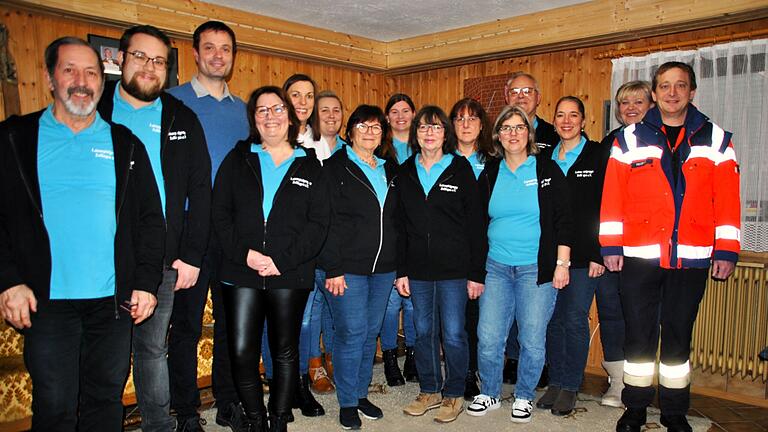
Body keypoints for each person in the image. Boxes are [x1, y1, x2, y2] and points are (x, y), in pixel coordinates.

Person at [0, 36, 164, 432]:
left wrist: (145, 283)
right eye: (70, 70)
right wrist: (8, 282)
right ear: (49, 78)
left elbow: (150, 221)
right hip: (46, 300)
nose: (82, 80)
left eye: (91, 72)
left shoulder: (125, 144)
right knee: (55, 405)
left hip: (111, 302)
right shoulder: (14, 139)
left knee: (105, 401)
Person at [601, 61, 741, 432]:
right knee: (639, 339)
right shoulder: (628, 140)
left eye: (680, 86)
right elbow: (613, 197)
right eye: (664, 86)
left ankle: (674, 413)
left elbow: (728, 202)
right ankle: (634, 410)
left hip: (692, 258)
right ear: (655, 93)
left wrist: (726, 251)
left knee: (678, 340)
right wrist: (610, 246)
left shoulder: (716, 140)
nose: (672, 93)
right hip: (639, 257)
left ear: (692, 92)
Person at [96, 25, 211, 432]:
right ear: (121, 59)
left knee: (152, 350)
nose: (150, 67)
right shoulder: (95, 110)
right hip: (100, 257)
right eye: (141, 57)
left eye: (159, 61)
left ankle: (160, 426)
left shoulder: (182, 117)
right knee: (102, 358)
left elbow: (201, 192)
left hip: (160, 257)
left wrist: (192, 255)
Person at [212, 85, 330, 432]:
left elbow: (318, 225)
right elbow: (221, 215)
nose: (270, 116)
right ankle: (255, 419)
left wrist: (281, 260)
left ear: (290, 116)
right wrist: (245, 254)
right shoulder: (238, 159)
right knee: (242, 351)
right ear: (254, 119)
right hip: (241, 270)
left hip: (289, 272)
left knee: (284, 350)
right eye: (262, 110)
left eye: (277, 109)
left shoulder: (310, 166)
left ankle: (278, 420)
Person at [167, 20, 251, 431]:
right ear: (195, 54)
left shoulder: (244, 111)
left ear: (233, 57)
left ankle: (227, 400)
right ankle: (185, 411)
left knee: (230, 323)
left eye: (226, 49)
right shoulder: (171, 103)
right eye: (210, 48)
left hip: (232, 233)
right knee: (185, 323)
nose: (218, 55)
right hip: (186, 230)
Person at [469, 105, 572, 424]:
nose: (513, 133)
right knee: (488, 335)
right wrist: (475, 270)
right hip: (495, 266)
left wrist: (562, 263)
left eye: (519, 127)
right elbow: (475, 224)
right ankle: (489, 392)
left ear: (529, 133)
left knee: (531, 337)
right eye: (506, 128)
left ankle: (525, 395)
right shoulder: (490, 171)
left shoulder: (546, 169)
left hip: (535, 269)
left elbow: (564, 220)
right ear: (498, 135)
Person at [398, 106, 486, 424]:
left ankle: (453, 394)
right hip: (418, 271)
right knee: (422, 333)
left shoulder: (460, 169)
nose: (429, 133)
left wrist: (477, 273)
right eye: (423, 128)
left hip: (454, 271)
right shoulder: (405, 171)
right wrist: (401, 271)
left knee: (453, 334)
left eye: (436, 128)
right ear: (416, 133)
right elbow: (399, 226)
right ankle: (430, 390)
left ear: (445, 134)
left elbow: (477, 226)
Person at [320, 105, 399, 429]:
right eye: (363, 126)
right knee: (351, 332)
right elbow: (325, 223)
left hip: (383, 269)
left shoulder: (391, 169)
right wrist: (333, 267)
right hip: (347, 268)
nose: (370, 132)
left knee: (370, 333)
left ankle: (361, 392)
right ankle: (348, 401)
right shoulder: (333, 167)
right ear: (350, 131)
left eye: (376, 127)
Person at [534, 96, 608, 416]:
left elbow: (605, 208)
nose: (566, 121)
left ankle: (570, 385)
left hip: (584, 257)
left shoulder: (597, 155)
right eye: (560, 115)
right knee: (551, 321)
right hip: (548, 256)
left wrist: (598, 253)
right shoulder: (543, 159)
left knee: (574, 319)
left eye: (573, 115)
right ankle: (555, 381)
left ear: (583, 120)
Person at [596, 80, 653, 408]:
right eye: (624, 102)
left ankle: (638, 385)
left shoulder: (661, 144)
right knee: (611, 313)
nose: (630, 107)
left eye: (638, 101)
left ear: (651, 104)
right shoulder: (609, 143)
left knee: (641, 317)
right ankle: (617, 382)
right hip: (609, 249)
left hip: (645, 252)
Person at [501, 72, 559, 387]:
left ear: (537, 96)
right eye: (515, 90)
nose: (521, 95)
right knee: (502, 315)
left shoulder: (554, 133)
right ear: (506, 95)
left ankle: (537, 365)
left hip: (542, 244)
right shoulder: (495, 144)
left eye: (528, 90)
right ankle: (511, 360)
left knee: (536, 318)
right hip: (503, 248)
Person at [278, 73, 327, 418]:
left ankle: (300, 385)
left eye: (308, 96)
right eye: (295, 95)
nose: (303, 102)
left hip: (312, 245)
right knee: (281, 323)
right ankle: (283, 388)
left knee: (307, 320)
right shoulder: (275, 137)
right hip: (281, 248)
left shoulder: (320, 142)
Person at [448, 97, 493, 401]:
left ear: (481, 125)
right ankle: (457, 373)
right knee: (456, 319)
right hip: (451, 252)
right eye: (460, 119)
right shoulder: (441, 160)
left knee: (478, 318)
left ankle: (472, 372)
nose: (466, 125)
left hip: (489, 250)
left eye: (472, 119)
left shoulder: (494, 162)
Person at [300, 90, 344, 395]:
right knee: (310, 310)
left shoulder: (350, 150)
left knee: (333, 310)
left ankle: (332, 362)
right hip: (308, 244)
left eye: (336, 110)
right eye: (324, 110)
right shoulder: (302, 147)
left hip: (339, 246)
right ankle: (312, 366)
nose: (330, 115)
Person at [380, 93, 419, 386]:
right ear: (387, 117)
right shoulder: (381, 151)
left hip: (417, 236)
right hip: (390, 235)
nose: (401, 116)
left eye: (406, 110)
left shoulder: (425, 145)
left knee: (414, 303)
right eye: (394, 111)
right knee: (392, 303)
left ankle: (415, 356)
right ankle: (391, 356)